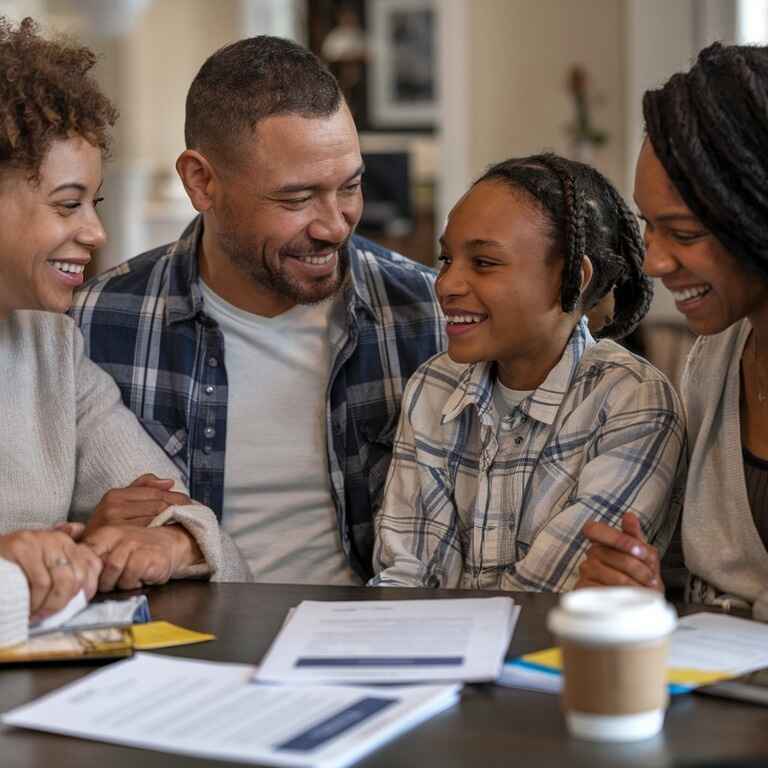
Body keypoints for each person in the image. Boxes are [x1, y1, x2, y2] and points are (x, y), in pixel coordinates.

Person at [70, 36, 444, 585]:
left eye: (351, 187)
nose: (335, 225)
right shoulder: (94, 324)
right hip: (184, 652)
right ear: (202, 181)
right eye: (296, 199)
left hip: (371, 643)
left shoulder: (427, 315)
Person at [0, 16, 249, 622]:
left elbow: (212, 542)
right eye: (67, 204)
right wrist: (12, 566)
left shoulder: (51, 348)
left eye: (94, 202)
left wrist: (168, 543)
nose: (95, 232)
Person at [371, 154, 686, 590]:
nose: (446, 284)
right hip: (442, 652)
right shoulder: (432, 385)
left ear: (572, 278)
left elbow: (555, 592)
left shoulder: (633, 401)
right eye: (446, 259)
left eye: (483, 263)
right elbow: (407, 575)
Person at [576, 43, 768, 616]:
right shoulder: (713, 358)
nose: (655, 262)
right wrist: (640, 585)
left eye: (682, 234)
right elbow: (706, 581)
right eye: (648, 227)